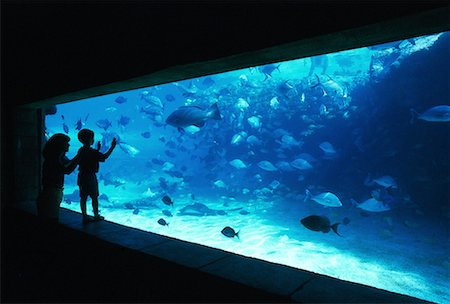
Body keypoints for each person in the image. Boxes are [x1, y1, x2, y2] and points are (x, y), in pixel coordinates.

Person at [77, 128, 116, 223]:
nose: (93, 140)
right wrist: (112, 147)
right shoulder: (92, 152)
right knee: (94, 197)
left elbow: (90, 157)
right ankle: (96, 215)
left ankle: (84, 216)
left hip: (82, 175)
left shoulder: (81, 150)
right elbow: (104, 157)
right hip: (90, 176)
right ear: (90, 140)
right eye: (92, 138)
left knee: (83, 197)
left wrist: (97, 149)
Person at [37, 133, 79, 222]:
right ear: (59, 145)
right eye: (66, 143)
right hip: (51, 193)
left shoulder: (59, 157)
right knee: (50, 221)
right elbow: (66, 170)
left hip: (54, 192)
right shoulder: (53, 160)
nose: (69, 145)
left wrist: (77, 158)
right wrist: (78, 157)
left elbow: (68, 167)